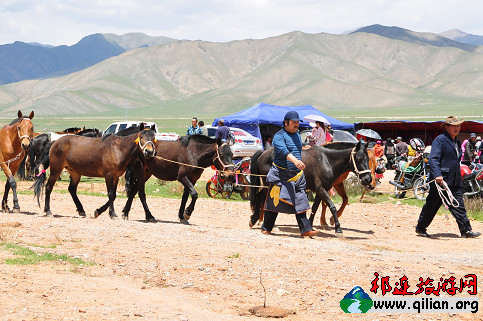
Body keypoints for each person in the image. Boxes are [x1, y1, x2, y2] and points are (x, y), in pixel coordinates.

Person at [415, 116, 480, 238]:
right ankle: (420, 228)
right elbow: (433, 159)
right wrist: (437, 174)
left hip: (454, 179)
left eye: (458, 126)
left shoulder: (457, 141)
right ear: (446, 127)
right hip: (441, 180)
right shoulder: (440, 140)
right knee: (432, 205)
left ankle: (466, 230)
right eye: (454, 126)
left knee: (459, 205)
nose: (457, 128)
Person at [261, 111, 318, 237]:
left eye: (298, 122)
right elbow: (283, 151)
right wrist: (296, 161)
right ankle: (266, 227)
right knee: (273, 201)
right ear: (286, 123)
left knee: (301, 200)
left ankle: (305, 229)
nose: (296, 125)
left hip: (296, 175)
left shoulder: (297, 135)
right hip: (280, 175)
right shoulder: (279, 136)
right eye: (294, 122)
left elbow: (298, 151)